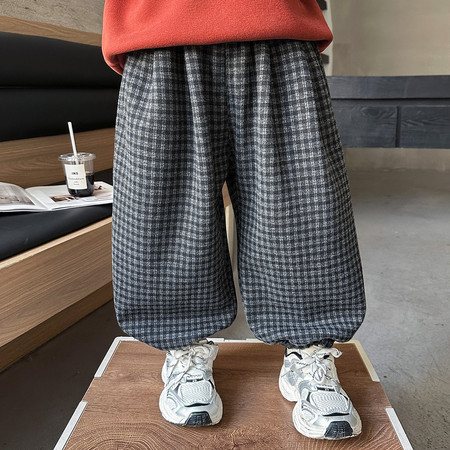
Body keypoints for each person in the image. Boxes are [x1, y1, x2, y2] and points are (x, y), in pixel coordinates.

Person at [102, 0, 366, 440]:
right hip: (159, 31)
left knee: (303, 211)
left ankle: (308, 351)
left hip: (278, 27)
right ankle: (183, 347)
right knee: (164, 217)